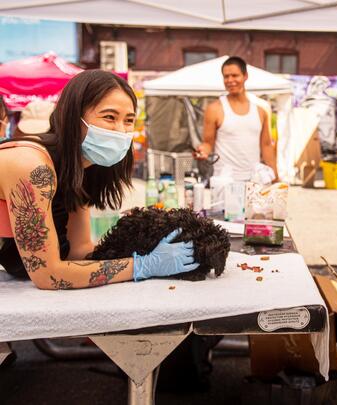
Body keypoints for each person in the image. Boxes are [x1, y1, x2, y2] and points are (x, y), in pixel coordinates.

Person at [0, 70, 199, 289]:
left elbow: (80, 250)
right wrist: (142, 265)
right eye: (109, 117)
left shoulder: (83, 167)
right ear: (74, 117)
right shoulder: (33, 166)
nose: (120, 130)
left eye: (129, 120)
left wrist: (146, 247)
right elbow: (49, 275)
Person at [195, 56, 278, 181]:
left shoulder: (261, 111)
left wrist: (276, 177)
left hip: (254, 181)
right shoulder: (214, 109)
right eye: (226, 76)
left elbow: (266, 146)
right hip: (224, 181)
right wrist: (203, 152)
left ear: (245, 76)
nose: (230, 80)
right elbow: (208, 143)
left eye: (235, 75)